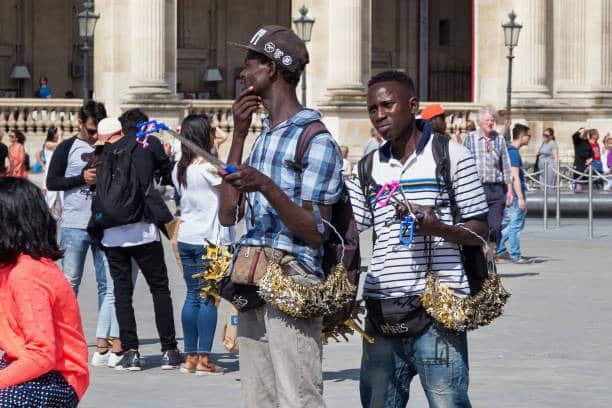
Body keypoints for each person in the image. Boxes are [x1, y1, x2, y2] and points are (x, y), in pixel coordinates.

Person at [346, 70, 489, 407]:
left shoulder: (451, 157)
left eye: (387, 105)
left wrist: (438, 228)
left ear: (412, 106)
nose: (379, 115)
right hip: (383, 308)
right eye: (372, 109)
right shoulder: (367, 168)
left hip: (439, 313)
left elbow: (480, 229)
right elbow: (350, 230)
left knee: (448, 402)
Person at [219, 25, 343, 408]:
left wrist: (268, 187)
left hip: (293, 282)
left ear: (272, 68)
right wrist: (238, 136)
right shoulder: (261, 138)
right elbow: (226, 214)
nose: (242, 73)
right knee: (258, 398)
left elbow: (316, 232)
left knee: (298, 397)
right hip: (253, 280)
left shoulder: (316, 139)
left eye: (250, 64)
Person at [93, 108, 181, 372]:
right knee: (159, 288)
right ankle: (169, 349)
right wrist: (166, 156)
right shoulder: (148, 143)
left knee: (122, 292)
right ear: (145, 126)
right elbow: (168, 174)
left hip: (111, 232)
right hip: (143, 229)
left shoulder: (105, 149)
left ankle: (130, 352)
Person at [46, 101, 125, 368]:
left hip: (104, 225)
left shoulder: (110, 147)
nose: (95, 138)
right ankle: (63, 336)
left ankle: (104, 339)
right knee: (69, 284)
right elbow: (52, 182)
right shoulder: (67, 148)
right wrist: (82, 178)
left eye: (98, 132)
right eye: (91, 131)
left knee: (108, 284)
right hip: (74, 224)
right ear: (80, 123)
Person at [0, 177, 88, 407]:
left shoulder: (27, 274)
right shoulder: (9, 268)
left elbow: (42, 355)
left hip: (59, 376)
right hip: (22, 361)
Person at [171, 114, 234, 375]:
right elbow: (230, 191)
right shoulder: (209, 167)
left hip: (187, 236)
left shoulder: (179, 167)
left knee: (191, 296)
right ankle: (205, 359)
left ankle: (191, 356)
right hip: (211, 239)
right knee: (208, 298)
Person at [463, 107, 513, 258]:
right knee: (476, 226)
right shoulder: (470, 138)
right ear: (480, 122)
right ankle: (479, 257)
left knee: (495, 227)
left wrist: (509, 190)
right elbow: (464, 163)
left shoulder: (499, 139)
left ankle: (489, 255)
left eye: (492, 120)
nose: (490, 123)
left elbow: (506, 165)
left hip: (496, 189)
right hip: (477, 189)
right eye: (487, 120)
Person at [496, 124, 531, 264]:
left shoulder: (509, 151)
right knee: (515, 226)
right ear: (522, 137)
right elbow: (515, 176)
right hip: (516, 195)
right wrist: (521, 198)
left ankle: (498, 248)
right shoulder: (514, 153)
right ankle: (515, 254)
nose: (529, 138)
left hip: (511, 194)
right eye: (529, 135)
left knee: (512, 225)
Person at [42, 125, 64, 211]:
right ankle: (47, 217)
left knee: (62, 197)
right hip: (51, 173)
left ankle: (62, 218)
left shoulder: (60, 141)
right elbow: (59, 145)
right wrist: (60, 135)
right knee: (51, 197)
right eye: (56, 132)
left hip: (60, 172)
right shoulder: (47, 143)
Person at [572, 128, 592, 192]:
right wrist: (581, 131)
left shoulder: (587, 142)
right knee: (578, 185)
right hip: (578, 165)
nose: (584, 133)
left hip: (586, 166)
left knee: (586, 185)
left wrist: (591, 159)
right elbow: (574, 136)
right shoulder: (577, 141)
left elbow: (591, 153)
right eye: (583, 132)